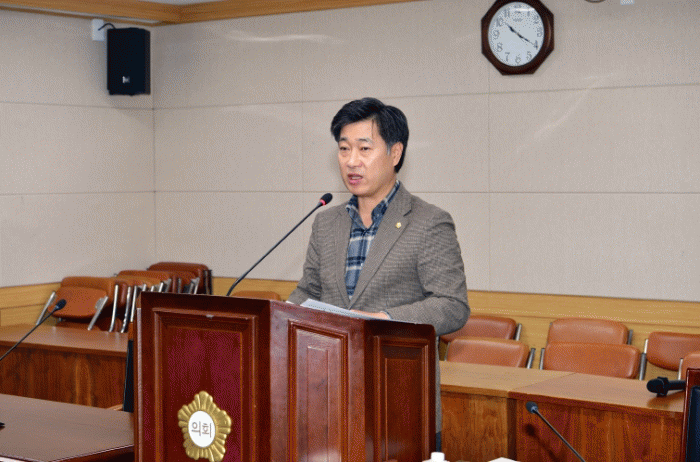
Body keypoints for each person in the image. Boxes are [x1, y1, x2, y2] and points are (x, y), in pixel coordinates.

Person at [287, 97, 469, 449]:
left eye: (364, 148)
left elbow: (452, 306)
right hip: (326, 402)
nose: (351, 161)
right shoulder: (326, 223)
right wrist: (282, 318)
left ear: (395, 152)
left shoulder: (429, 222)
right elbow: (308, 291)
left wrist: (381, 320)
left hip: (399, 402)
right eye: (344, 149)